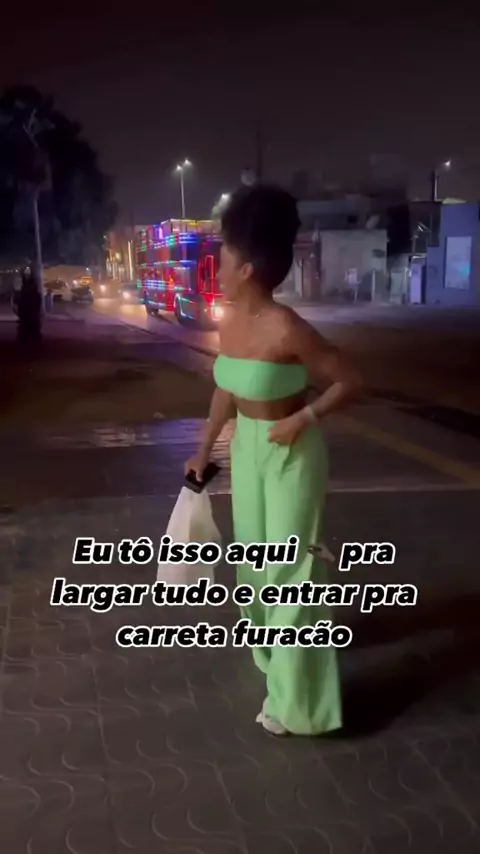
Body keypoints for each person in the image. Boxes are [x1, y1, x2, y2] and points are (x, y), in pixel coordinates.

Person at [185, 184, 361, 737]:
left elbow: (352, 381)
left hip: (292, 454)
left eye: (225, 255)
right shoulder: (228, 320)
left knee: (291, 574)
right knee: (254, 567)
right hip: (247, 451)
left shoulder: (287, 328)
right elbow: (226, 387)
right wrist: (203, 448)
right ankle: (275, 661)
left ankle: (298, 704)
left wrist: (303, 418)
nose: (217, 263)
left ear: (247, 269)